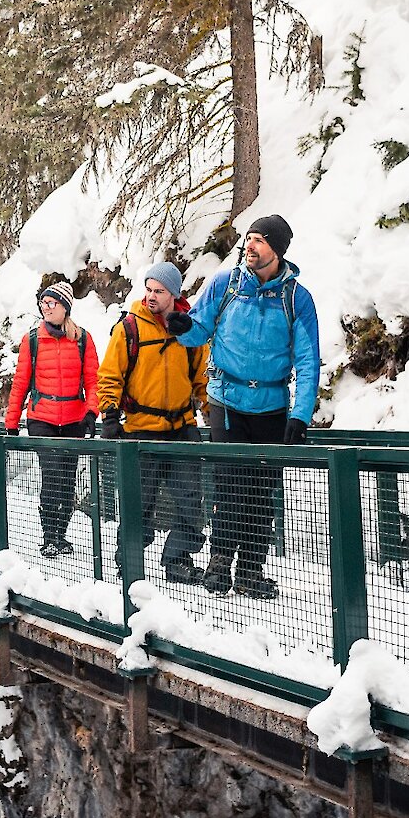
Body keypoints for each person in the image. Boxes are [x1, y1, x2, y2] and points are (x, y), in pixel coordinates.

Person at [169, 215, 319, 599]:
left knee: (262, 491)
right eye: (248, 238)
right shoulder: (226, 283)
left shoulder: (296, 299)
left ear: (277, 249)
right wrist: (182, 327)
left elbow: (307, 359)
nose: (249, 246)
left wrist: (300, 416)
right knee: (230, 486)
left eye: (259, 240)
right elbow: (201, 329)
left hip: (271, 406)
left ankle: (250, 571)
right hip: (228, 401)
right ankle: (219, 565)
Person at [95, 261, 210, 584]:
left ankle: (178, 560)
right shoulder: (129, 328)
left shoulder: (189, 331)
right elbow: (110, 374)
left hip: (181, 427)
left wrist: (211, 412)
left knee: (190, 498)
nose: (151, 296)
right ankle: (128, 560)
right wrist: (109, 415)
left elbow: (202, 377)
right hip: (140, 430)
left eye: (159, 291)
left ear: (174, 294)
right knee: (138, 500)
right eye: (148, 289)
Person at [5, 280, 99, 558]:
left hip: (73, 419)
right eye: (43, 303)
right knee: (53, 473)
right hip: (42, 418)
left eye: (51, 303)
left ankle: (61, 535)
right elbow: (20, 383)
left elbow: (93, 380)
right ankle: (49, 535)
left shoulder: (82, 339)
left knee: (67, 478)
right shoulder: (32, 340)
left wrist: (92, 412)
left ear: (65, 307)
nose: (45, 308)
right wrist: (11, 423)